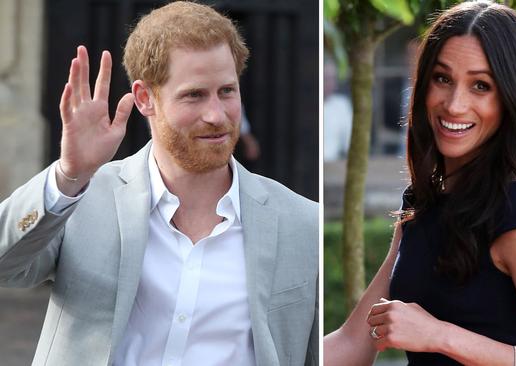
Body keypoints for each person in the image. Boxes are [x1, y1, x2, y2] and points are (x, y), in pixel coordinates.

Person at [0, 2, 317, 366]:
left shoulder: (302, 223)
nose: (216, 115)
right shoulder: (82, 199)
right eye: (194, 95)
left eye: (227, 91)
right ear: (145, 98)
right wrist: (70, 175)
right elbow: (5, 265)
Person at [324, 1, 516, 365]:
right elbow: (353, 341)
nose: (454, 105)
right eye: (442, 79)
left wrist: (439, 335)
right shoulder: (424, 200)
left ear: (510, 98)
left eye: (480, 86)